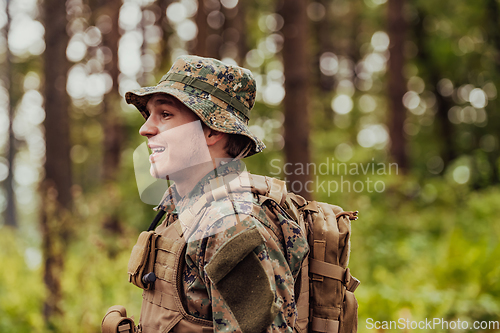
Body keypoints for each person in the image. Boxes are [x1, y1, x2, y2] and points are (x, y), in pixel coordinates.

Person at [119, 55, 309, 333]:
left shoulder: (228, 224)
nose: (145, 129)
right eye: (149, 114)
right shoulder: (187, 209)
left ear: (210, 130)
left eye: (165, 114)